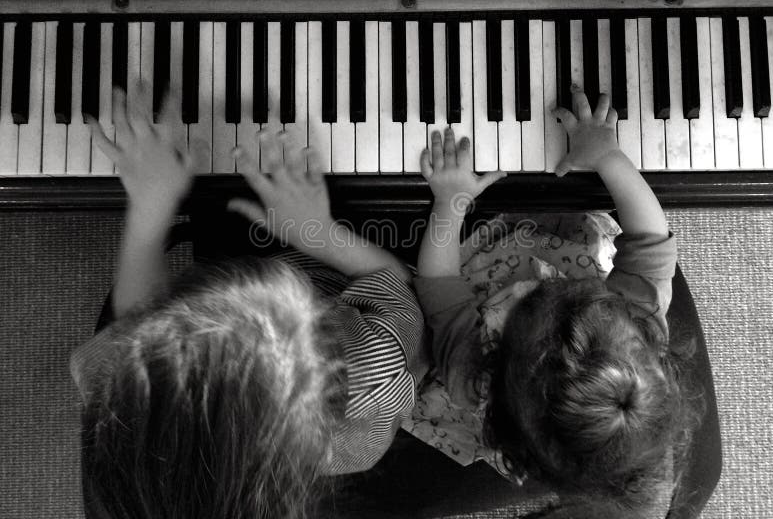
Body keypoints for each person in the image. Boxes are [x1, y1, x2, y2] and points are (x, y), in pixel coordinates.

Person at [71, 81, 427, 519]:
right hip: (336, 285)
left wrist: (150, 205)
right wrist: (315, 231)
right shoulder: (373, 365)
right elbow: (391, 283)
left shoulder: (117, 394)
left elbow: (133, 321)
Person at [410, 88, 699, 517]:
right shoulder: (641, 323)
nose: (543, 289)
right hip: (566, 247)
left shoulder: (473, 381)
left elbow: (438, 285)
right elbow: (650, 235)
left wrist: (451, 204)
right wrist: (606, 155)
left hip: (488, 269)